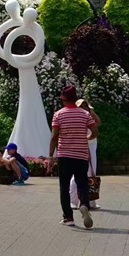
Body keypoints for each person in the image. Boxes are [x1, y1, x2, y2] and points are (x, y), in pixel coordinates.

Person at [49, 86, 98, 228]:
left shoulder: (58, 114)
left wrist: (51, 156)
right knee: (82, 184)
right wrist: (87, 137)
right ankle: (84, 205)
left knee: (64, 187)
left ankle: (68, 217)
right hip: (81, 155)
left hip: (64, 156)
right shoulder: (85, 114)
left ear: (63, 99)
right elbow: (95, 131)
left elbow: (54, 137)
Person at [69, 99, 102, 210]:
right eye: (81, 106)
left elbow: (98, 122)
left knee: (91, 174)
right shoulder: (77, 118)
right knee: (78, 174)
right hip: (83, 148)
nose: (84, 108)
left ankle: (91, 200)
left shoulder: (89, 117)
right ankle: (74, 201)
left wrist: (91, 111)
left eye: (85, 106)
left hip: (91, 148)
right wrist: (85, 138)